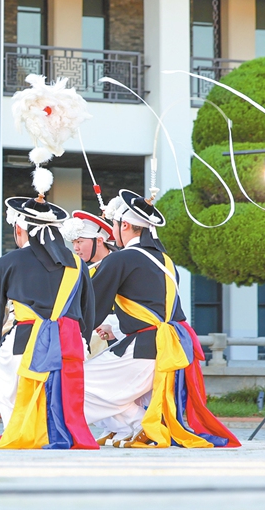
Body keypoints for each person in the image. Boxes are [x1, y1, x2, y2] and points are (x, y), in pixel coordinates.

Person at [83, 190, 239, 449]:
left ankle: (142, 425)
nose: (111, 233)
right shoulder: (165, 260)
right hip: (166, 348)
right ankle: (137, 427)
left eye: (114, 226)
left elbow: (91, 306)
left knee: (73, 383)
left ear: (125, 225)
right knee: (103, 391)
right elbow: (151, 309)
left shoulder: (122, 259)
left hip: (143, 350)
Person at [0, 194, 98, 450]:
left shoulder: (9, 261)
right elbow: (88, 310)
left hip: (25, 343)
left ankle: (22, 433)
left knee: (5, 387)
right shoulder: (77, 264)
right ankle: (56, 433)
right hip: (69, 343)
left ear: (20, 228)